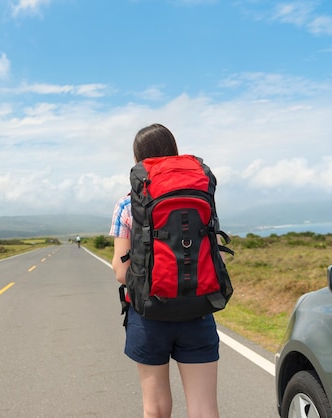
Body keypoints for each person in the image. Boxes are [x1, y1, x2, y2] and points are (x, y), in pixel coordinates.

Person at [109, 123, 220, 418]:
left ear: (138, 160)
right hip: (197, 308)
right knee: (204, 408)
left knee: (155, 409)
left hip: (148, 314)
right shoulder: (200, 193)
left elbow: (122, 273)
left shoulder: (126, 205)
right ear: (174, 153)